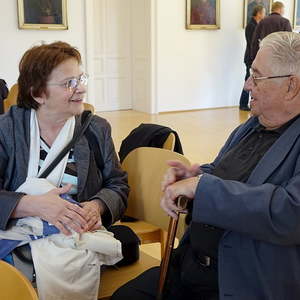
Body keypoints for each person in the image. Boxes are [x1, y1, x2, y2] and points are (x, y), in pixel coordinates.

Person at [111, 31, 300, 300]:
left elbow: (289, 212)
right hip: (189, 263)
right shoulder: (252, 126)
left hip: (240, 279)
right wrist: (194, 176)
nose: (247, 85)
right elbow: (223, 172)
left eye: (256, 76)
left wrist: (203, 188)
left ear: (291, 86)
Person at [0, 41, 128, 299]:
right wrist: (32, 205)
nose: (80, 89)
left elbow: (118, 184)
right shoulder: (7, 130)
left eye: (81, 79)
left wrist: (97, 206)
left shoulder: (95, 129)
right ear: (38, 93)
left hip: (75, 237)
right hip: (18, 232)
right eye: (69, 83)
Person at [239, 5, 265, 111]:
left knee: (251, 80)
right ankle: (243, 104)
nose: (264, 15)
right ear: (258, 13)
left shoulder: (256, 25)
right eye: (263, 12)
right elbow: (252, 43)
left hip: (252, 57)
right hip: (250, 58)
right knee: (249, 81)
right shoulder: (251, 26)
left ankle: (246, 103)